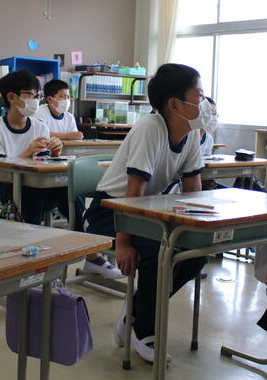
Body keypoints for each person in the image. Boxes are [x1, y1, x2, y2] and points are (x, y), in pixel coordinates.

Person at [84, 63, 212, 363]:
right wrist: (124, 243)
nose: (205, 102)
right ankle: (144, 331)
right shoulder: (150, 128)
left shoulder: (192, 133)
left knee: (197, 253)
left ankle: (135, 311)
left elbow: (193, 188)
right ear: (175, 104)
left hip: (146, 212)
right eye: (199, 95)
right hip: (111, 212)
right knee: (159, 252)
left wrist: (199, 228)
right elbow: (133, 193)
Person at [0, 70, 121, 278]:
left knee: (68, 190)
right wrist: (26, 153)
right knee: (34, 193)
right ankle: (30, 258)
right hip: (10, 189)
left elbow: (44, 163)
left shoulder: (39, 127)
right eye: (31, 95)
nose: (35, 100)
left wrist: (55, 153)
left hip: (40, 186)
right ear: (11, 97)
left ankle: (90, 254)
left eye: (37, 95)